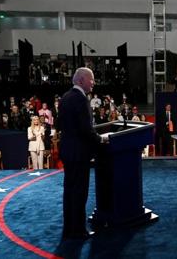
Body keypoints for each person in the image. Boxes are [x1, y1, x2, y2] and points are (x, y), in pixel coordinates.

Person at [58, 67, 109, 240]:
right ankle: (78, 231)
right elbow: (86, 129)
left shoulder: (65, 98)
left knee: (69, 192)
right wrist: (101, 140)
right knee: (79, 192)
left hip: (67, 151)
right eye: (91, 79)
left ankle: (69, 229)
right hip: (79, 153)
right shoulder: (80, 99)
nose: (93, 83)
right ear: (81, 80)